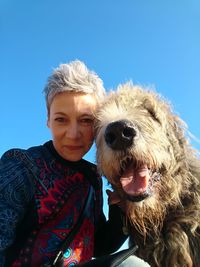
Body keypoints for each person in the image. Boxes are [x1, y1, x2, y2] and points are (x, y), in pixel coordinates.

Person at [0, 60, 130, 267]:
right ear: (48, 121)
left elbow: (99, 245)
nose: (73, 134)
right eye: (61, 119)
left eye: (86, 120)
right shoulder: (21, 165)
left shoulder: (93, 178)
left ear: (98, 126)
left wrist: (121, 210)